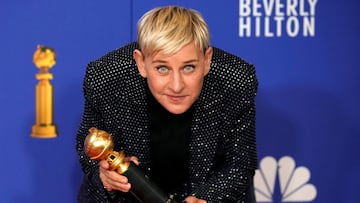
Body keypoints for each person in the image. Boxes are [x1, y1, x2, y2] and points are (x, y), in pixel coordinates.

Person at [76, 5, 258, 203]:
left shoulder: (236, 80)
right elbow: (87, 147)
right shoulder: (106, 79)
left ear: (207, 60)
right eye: (162, 68)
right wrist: (105, 177)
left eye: (189, 67)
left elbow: (240, 163)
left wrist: (207, 198)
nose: (177, 86)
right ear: (141, 63)